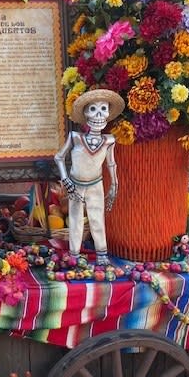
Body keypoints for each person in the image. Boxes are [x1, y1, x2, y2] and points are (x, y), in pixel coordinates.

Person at [54, 89, 125, 264]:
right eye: (93, 109)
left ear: (108, 114)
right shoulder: (75, 137)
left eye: (103, 109)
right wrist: (66, 180)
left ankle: (101, 254)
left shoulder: (109, 141)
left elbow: (111, 163)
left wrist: (114, 185)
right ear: (85, 114)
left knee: (97, 218)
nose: (99, 115)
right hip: (75, 185)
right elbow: (59, 157)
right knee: (76, 219)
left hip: (96, 185)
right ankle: (74, 254)